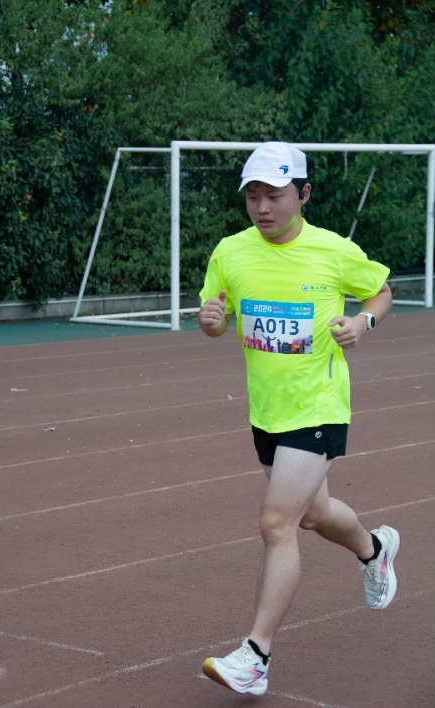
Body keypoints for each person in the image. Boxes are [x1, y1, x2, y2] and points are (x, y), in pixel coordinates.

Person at [198, 142, 399, 696]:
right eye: (253, 197)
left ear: (304, 194)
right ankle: (374, 549)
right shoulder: (230, 252)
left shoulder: (333, 250)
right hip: (267, 409)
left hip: (319, 406)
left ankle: (255, 656)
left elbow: (381, 292)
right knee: (313, 514)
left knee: (276, 523)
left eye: (275, 196)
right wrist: (211, 320)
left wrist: (363, 324)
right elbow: (216, 319)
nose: (263, 208)